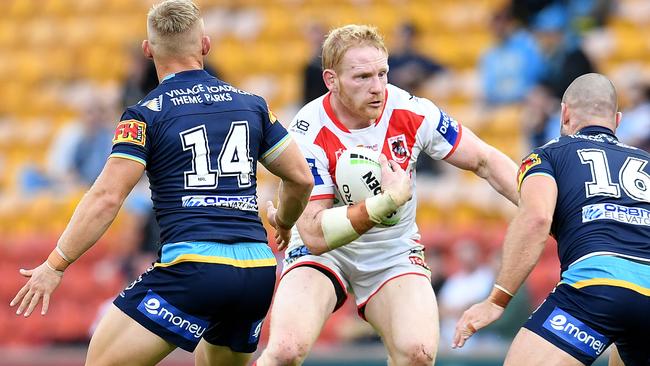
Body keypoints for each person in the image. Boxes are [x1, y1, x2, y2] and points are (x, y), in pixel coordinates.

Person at [9, 1, 313, 365]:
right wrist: (285, 221)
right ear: (205, 44)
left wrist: (55, 264)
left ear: (148, 49)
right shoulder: (252, 105)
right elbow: (299, 177)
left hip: (194, 267)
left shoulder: (147, 114)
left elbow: (106, 197)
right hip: (257, 273)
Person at [255, 24, 519, 366]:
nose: (377, 88)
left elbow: (485, 160)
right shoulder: (308, 130)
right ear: (331, 80)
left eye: (383, 73)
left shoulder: (411, 110)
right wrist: (387, 201)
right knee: (284, 352)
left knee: (418, 355)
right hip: (323, 254)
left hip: (391, 251)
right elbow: (316, 235)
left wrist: (539, 206)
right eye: (362, 77)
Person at [453, 73, 650, 366]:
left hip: (594, 288)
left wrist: (496, 301)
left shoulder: (549, 155)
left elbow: (536, 219)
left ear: (565, 113)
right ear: (618, 120)